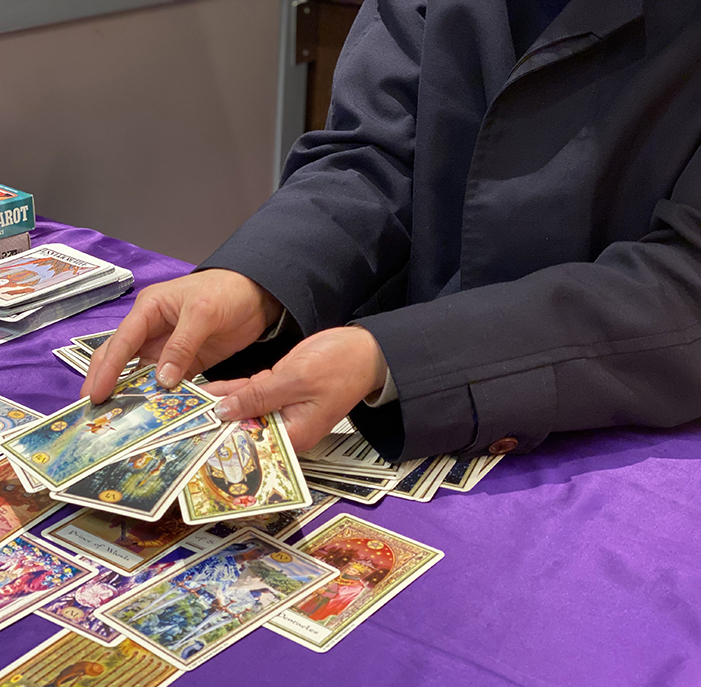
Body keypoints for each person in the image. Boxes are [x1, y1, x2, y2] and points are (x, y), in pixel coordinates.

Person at [82, 0, 701, 463]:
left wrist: (396, 357)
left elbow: (682, 285)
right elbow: (374, 156)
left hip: (613, 447)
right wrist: (259, 281)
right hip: (402, 405)